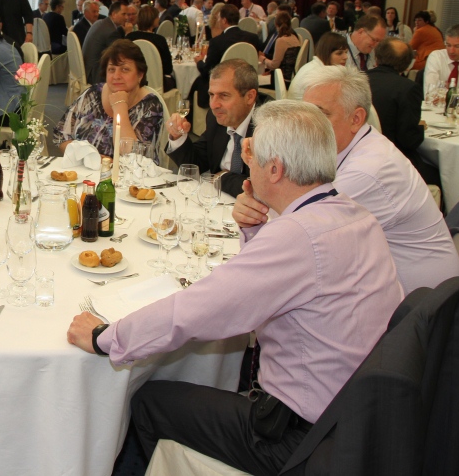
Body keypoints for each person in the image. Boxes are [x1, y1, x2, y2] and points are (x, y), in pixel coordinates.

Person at [68, 100, 403, 476]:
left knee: (148, 400)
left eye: (253, 155)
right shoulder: (354, 215)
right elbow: (276, 286)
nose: (247, 164)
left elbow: (200, 309)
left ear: (274, 169)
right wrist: (257, 227)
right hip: (360, 419)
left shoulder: (299, 236)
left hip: (301, 440)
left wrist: (106, 337)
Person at [250, 65, 459, 294]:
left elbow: (293, 235)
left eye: (320, 115)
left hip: (419, 301)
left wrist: (258, 194)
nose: (307, 125)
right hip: (389, 286)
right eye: (306, 114)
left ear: (356, 118)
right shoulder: (349, 146)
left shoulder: (366, 171)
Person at [168, 60, 271, 198]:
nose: (213, 105)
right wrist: (178, 137)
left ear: (249, 97)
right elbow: (196, 165)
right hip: (219, 200)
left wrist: (223, 178)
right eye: (211, 95)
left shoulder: (270, 125)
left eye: (224, 96)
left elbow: (265, 187)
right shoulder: (216, 117)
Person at [53, 39, 164, 161]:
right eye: (111, 69)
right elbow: (61, 135)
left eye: (125, 69)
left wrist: (119, 106)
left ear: (140, 75)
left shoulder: (150, 106)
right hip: (84, 170)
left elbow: (133, 159)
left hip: (126, 173)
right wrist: (85, 156)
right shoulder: (92, 94)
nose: (116, 76)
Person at [367, 39, 440, 184]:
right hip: (392, 161)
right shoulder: (408, 88)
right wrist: (420, 127)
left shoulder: (357, 79)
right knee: (439, 175)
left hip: (358, 154)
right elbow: (409, 140)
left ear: (376, 57)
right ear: (407, 65)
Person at [189, 3, 264, 100]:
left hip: (224, 88)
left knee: (196, 83)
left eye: (219, 18)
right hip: (247, 86)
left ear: (224, 20)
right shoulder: (253, 38)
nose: (218, 21)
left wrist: (199, 62)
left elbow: (208, 72)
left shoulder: (217, 42)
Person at [126, 4, 176, 92]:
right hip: (156, 85)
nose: (159, 19)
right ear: (153, 20)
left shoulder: (129, 37)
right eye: (157, 17)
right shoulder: (159, 40)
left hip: (133, 82)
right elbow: (168, 69)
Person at [288, 32, 349, 98]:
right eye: (339, 53)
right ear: (326, 53)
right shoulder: (317, 74)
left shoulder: (315, 66)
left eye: (346, 52)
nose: (346, 57)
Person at [82, 0, 131, 84]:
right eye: (123, 14)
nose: (127, 18)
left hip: (88, 69)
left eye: (127, 14)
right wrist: (128, 34)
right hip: (95, 75)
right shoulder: (110, 31)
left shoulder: (101, 23)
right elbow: (121, 53)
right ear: (114, 14)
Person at [260, 11, 301, 83]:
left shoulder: (281, 40)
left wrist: (263, 59)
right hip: (292, 79)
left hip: (282, 81)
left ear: (276, 24)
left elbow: (274, 65)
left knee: (257, 81)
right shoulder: (294, 37)